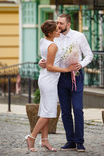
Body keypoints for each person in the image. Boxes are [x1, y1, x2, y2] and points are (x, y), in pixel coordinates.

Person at [39, 13, 93, 152]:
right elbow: (47, 56)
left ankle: (80, 141)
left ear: (68, 24)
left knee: (77, 109)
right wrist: (41, 62)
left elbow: (89, 55)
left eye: (61, 23)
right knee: (65, 111)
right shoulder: (54, 37)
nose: (58, 26)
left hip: (76, 76)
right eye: (57, 23)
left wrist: (80, 64)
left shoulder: (79, 36)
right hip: (60, 77)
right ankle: (71, 141)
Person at [25, 20, 77, 152]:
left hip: (45, 79)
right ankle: (32, 137)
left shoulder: (43, 41)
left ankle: (44, 140)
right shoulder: (52, 46)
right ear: (50, 33)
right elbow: (49, 66)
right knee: (48, 113)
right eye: (56, 30)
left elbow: (45, 61)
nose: (59, 30)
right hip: (49, 80)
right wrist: (67, 69)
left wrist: (42, 62)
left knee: (45, 110)